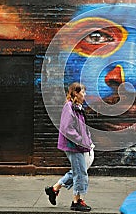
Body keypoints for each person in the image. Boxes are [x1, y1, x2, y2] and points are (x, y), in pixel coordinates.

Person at [45, 82, 94, 212]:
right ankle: (76, 202)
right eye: (83, 92)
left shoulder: (78, 107)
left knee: (77, 171)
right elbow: (67, 129)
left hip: (79, 145)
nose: (85, 95)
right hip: (73, 146)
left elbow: (82, 128)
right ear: (76, 93)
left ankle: (54, 189)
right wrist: (81, 141)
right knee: (80, 173)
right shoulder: (69, 107)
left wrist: (88, 140)